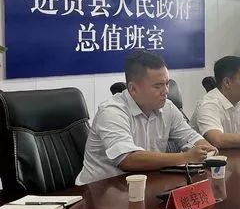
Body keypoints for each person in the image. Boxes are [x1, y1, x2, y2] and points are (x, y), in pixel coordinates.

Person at [76, 52, 218, 185]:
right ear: (133, 89)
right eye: (158, 86)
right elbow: (127, 159)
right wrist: (185, 157)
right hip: (99, 190)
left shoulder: (167, 107)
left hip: (145, 184)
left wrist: (206, 149)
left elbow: (190, 136)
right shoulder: (111, 112)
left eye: (167, 84)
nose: (166, 91)